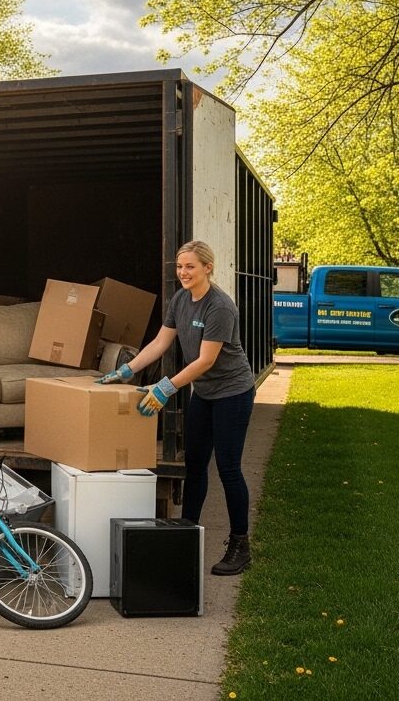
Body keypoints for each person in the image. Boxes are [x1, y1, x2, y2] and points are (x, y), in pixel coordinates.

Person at [97, 240, 258, 575]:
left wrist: (166, 387)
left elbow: (205, 360)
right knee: (195, 465)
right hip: (204, 394)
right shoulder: (180, 300)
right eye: (180, 266)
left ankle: (240, 545)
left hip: (232, 393)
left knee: (228, 468)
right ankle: (187, 534)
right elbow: (160, 342)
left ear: (207, 268)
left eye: (190, 267)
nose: (183, 273)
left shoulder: (220, 308)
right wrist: (127, 370)